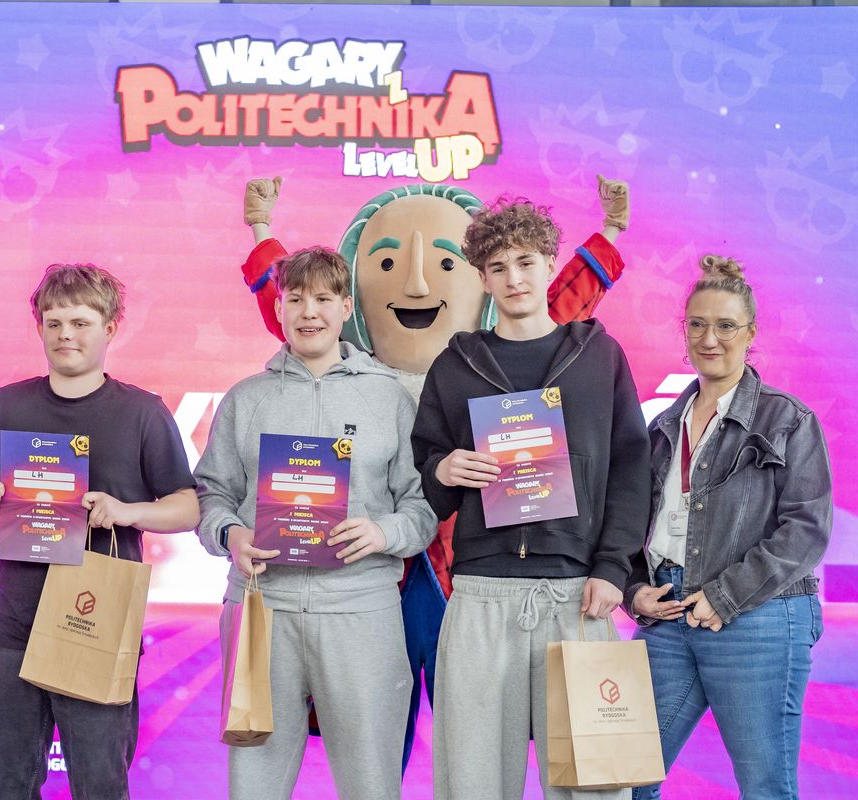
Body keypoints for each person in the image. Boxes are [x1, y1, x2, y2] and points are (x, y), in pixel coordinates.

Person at [240, 176, 631, 769]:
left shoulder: (521, 357)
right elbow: (299, 307)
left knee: (504, 737)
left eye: (446, 264)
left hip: (476, 563)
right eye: (387, 265)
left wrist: (610, 233)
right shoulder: (367, 369)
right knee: (375, 724)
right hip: (378, 568)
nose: (417, 284)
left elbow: (557, 307)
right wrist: (261, 230)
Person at [411, 199, 650, 800]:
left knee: (593, 785)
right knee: (472, 784)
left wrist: (613, 567)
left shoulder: (600, 357)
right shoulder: (454, 366)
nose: (513, 278)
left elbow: (630, 468)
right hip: (480, 596)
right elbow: (427, 477)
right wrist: (444, 468)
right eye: (497, 267)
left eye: (525, 262)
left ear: (549, 264)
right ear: (482, 277)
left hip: (577, 598)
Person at [0, 264, 199, 800]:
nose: (66, 335)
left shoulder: (142, 412)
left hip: (97, 626)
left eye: (80, 323)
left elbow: (187, 507)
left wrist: (127, 511)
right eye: (54, 322)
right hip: (13, 627)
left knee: (100, 786)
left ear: (110, 327)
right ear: (39, 327)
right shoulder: (10, 403)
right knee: (0, 785)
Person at [195, 246, 436, 799]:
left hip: (361, 610)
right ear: (278, 308)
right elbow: (211, 493)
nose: (309, 311)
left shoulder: (389, 399)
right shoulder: (246, 399)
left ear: (346, 307)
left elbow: (423, 506)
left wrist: (383, 533)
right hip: (261, 609)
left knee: (371, 781)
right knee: (253, 781)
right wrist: (230, 535)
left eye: (324, 298)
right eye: (296, 298)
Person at [625, 255, 831, 799]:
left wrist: (724, 595)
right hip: (668, 615)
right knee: (624, 781)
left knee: (764, 787)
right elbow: (635, 525)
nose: (708, 338)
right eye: (697, 324)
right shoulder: (662, 427)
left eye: (725, 326)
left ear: (751, 333)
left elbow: (806, 528)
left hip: (758, 617)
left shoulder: (788, 419)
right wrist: (634, 590)